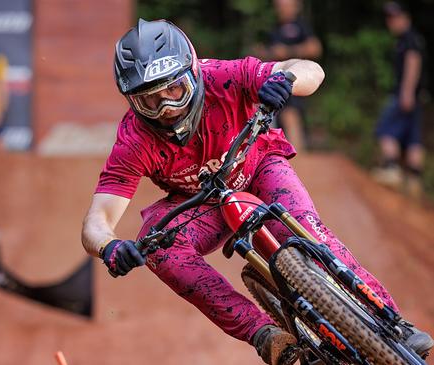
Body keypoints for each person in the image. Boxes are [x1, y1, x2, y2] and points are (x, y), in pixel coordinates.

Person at [81, 19, 433, 364]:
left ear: (194, 74)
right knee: (159, 245)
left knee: (306, 228)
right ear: (133, 103)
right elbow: (96, 222)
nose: (167, 109)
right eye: (150, 101)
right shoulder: (134, 140)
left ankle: (391, 321)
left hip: (258, 164)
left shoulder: (225, 76)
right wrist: (110, 246)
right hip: (203, 204)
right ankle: (264, 333)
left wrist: (286, 79)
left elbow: (311, 68)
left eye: (174, 90)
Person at [372, 2, 427, 198]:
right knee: (413, 138)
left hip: (404, 94)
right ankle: (414, 182)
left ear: (405, 18)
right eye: (389, 18)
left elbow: (413, 62)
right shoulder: (413, 38)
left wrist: (407, 91)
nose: (391, 22)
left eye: (395, 18)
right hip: (418, 97)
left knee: (385, 130)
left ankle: (391, 169)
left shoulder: (408, 39)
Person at [252, 0, 322, 152]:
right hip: (275, 78)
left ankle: (298, 159)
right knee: (279, 116)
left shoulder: (301, 26)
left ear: (296, 7)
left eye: (286, 5)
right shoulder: (274, 28)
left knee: (291, 114)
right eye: (279, 5)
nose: (282, 9)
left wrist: (289, 51)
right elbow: (271, 53)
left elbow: (315, 48)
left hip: (296, 78)